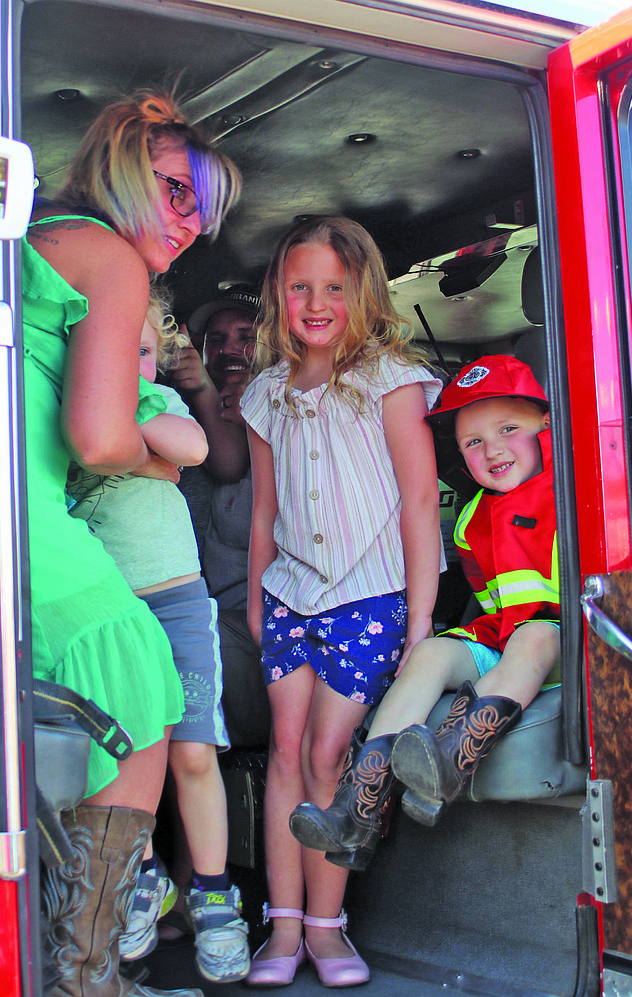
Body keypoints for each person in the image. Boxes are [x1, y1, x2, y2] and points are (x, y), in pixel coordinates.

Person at [24, 88, 240, 997]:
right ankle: (85, 973)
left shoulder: (37, 240)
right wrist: (155, 462)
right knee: (146, 696)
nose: (190, 223)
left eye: (205, 207)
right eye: (175, 190)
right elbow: (101, 440)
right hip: (27, 522)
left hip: (20, 516)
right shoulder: (110, 258)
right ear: (114, 161)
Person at [239, 215, 444, 987]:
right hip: (291, 594)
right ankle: (282, 928)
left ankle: (328, 927)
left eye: (334, 286)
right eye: (300, 287)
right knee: (286, 752)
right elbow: (265, 510)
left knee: (329, 753)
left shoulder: (391, 379)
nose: (317, 302)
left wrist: (419, 618)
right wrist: (262, 601)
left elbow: (420, 501)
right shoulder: (265, 394)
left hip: (370, 596)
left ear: (363, 292)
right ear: (279, 296)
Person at [289, 355, 560, 872]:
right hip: (505, 641)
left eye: (509, 429)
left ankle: (449, 763)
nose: (493, 449)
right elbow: (488, 600)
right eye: (473, 442)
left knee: (535, 638)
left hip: (571, 644)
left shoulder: (574, 492)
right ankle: (356, 810)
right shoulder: (470, 519)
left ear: (546, 427)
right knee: (434, 650)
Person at [67, 290, 250, 984]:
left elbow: (193, 449)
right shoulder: (69, 416)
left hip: (176, 601)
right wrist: (141, 457)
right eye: (111, 355)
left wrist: (128, 404)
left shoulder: (160, 404)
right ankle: (142, 877)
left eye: (141, 352)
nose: (129, 366)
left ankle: (213, 894)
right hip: (108, 612)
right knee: (120, 760)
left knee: (194, 753)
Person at [171, 285, 270, 747]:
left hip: (260, 627)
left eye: (246, 336)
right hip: (199, 615)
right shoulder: (177, 425)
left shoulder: (293, 420)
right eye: (216, 339)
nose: (231, 349)